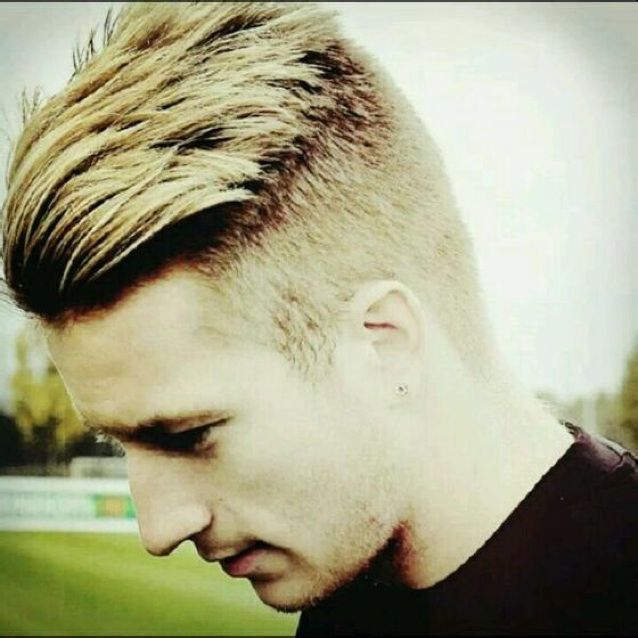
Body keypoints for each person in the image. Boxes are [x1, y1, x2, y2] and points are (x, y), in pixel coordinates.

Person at [1, 3, 636, 635]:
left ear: (383, 344)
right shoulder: (348, 594)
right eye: (120, 444)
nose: (157, 531)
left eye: (191, 435)